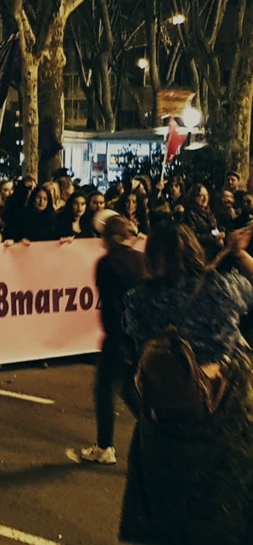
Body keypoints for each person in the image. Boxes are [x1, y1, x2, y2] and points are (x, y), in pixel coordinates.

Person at [119, 223, 253, 543]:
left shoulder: (138, 300)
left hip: (165, 417)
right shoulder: (224, 288)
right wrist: (238, 254)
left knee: (167, 513)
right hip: (227, 412)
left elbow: (133, 340)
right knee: (228, 505)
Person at [71, 216, 144, 465]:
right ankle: (159, 431)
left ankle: (105, 446)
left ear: (112, 238)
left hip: (119, 338)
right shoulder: (140, 260)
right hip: (140, 336)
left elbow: (112, 307)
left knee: (105, 389)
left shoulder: (107, 264)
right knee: (129, 389)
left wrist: (118, 341)